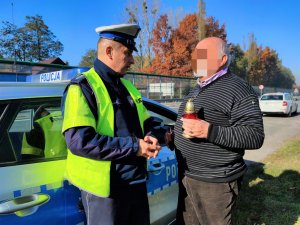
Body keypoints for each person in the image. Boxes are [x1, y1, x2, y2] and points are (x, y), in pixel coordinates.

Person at [61, 23, 161, 225]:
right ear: (109, 51)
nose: (132, 60)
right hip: (105, 194)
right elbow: (80, 141)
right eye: (127, 53)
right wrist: (135, 147)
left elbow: (148, 121)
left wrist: (152, 134)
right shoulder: (82, 87)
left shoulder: (127, 86)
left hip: (136, 184)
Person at [174, 37, 265, 225]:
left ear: (222, 59)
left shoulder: (238, 88)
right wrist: (172, 136)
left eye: (202, 55)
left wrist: (209, 131)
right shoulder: (197, 89)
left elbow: (255, 136)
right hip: (188, 176)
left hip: (215, 184)